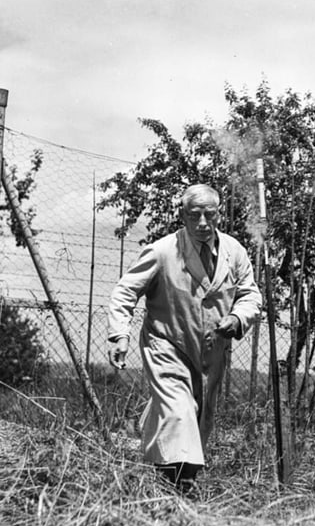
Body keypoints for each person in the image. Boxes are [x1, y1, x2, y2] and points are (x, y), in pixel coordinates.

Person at [107, 184, 262, 493]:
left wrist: (238, 317)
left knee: (199, 417)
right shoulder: (163, 251)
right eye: (195, 216)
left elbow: (250, 294)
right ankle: (180, 486)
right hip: (166, 343)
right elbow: (126, 291)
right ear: (183, 216)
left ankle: (163, 467)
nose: (203, 223)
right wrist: (119, 334)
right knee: (180, 411)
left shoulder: (235, 251)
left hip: (210, 350)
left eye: (210, 215)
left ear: (219, 214)